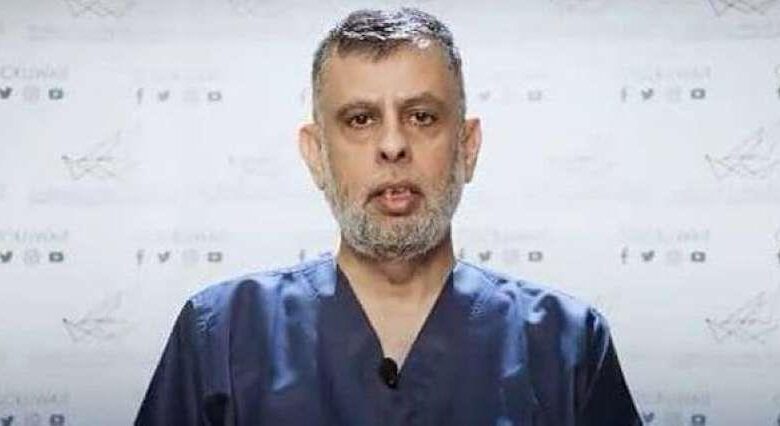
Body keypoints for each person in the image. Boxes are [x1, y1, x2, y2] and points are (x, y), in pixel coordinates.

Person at [135, 7, 643, 426]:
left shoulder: (567, 345)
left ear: (467, 147)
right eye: (360, 120)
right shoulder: (220, 335)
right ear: (316, 155)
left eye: (422, 117)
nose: (393, 145)